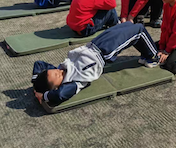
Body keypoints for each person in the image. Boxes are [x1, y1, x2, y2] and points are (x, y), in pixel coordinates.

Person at [31, 22, 159, 107]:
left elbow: (39, 64)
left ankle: (147, 51)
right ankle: (153, 57)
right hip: (105, 51)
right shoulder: (74, 82)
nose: (58, 71)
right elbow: (60, 95)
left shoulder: (58, 73)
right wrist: (44, 96)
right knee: (138, 30)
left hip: (95, 43)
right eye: (57, 76)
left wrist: (37, 86)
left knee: (128, 24)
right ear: (56, 87)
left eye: (55, 71)